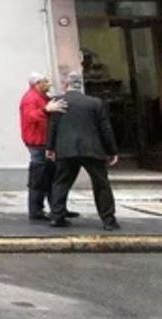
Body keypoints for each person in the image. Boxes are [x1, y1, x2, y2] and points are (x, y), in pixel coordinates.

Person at [46, 72, 121, 230]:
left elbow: (52, 127)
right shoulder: (95, 103)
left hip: (66, 149)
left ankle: (57, 216)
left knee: (61, 182)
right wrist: (111, 150)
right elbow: (105, 128)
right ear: (80, 85)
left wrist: (50, 147)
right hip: (91, 148)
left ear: (65, 85)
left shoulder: (58, 102)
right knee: (101, 184)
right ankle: (108, 220)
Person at [19, 72, 74, 221]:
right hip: (38, 142)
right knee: (39, 177)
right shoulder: (31, 98)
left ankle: (57, 208)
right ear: (37, 83)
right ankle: (37, 210)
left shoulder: (41, 97)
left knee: (50, 175)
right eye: (45, 81)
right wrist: (46, 110)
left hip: (43, 141)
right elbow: (30, 116)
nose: (48, 84)